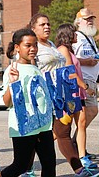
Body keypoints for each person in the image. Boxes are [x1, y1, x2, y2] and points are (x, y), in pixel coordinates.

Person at [29, 13, 98, 176]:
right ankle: (27, 168)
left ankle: (79, 169)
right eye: (42, 25)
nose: (47, 27)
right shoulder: (33, 47)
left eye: (48, 24)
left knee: (62, 133)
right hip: (43, 98)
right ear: (33, 29)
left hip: (58, 97)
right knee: (42, 136)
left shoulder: (52, 44)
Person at [0, 28, 56, 177]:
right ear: (17, 47)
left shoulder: (35, 68)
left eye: (35, 45)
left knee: (49, 164)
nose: (33, 49)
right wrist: (12, 83)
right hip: (24, 125)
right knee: (21, 165)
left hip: (43, 125)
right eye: (28, 45)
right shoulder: (12, 69)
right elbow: (6, 102)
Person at [55, 24, 97, 167]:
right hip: (71, 94)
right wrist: (85, 87)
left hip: (78, 93)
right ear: (67, 34)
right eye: (74, 33)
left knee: (82, 124)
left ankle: (82, 157)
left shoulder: (69, 50)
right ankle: (35, 147)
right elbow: (70, 73)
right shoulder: (63, 50)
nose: (77, 35)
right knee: (60, 130)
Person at [73, 8, 99, 159]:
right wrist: (88, 61)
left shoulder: (89, 38)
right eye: (87, 19)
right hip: (83, 82)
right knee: (87, 114)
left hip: (91, 81)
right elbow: (70, 58)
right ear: (78, 22)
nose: (90, 21)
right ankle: (75, 144)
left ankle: (77, 143)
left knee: (90, 113)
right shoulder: (77, 37)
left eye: (92, 18)